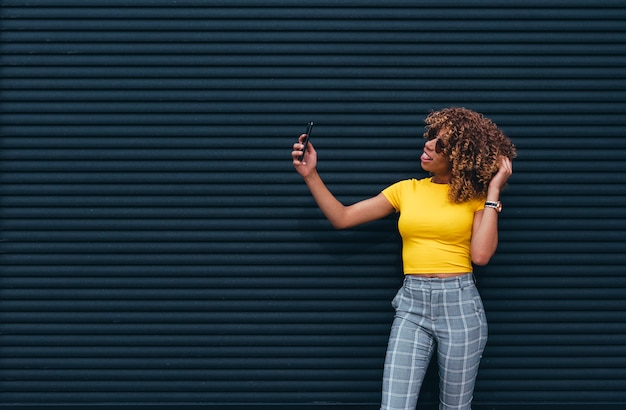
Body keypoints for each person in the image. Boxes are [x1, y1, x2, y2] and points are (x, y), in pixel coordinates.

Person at [291, 107, 517, 410]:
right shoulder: (406, 190)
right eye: (431, 137)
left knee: (455, 407)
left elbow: (481, 255)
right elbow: (343, 218)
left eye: (441, 144)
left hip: (460, 307)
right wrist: (311, 174)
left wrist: (493, 191)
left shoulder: (476, 198)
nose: (428, 145)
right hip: (413, 306)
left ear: (461, 157)